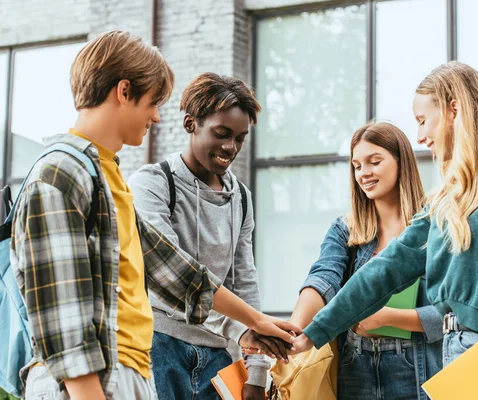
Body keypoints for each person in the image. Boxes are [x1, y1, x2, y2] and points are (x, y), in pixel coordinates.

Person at [10, 30, 298, 400]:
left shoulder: (104, 173)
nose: (159, 117)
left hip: (128, 373)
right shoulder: (60, 175)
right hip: (89, 384)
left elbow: (174, 270)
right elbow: (64, 320)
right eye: (153, 102)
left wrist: (256, 322)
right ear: (124, 91)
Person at [292, 61, 478, 400]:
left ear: (455, 110)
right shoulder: (445, 200)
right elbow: (385, 269)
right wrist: (315, 331)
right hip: (454, 362)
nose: (421, 137)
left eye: (423, 120)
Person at [128, 72, 276, 400]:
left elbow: (245, 281)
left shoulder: (240, 197)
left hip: (218, 357)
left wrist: (257, 371)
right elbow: (174, 277)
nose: (230, 147)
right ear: (190, 123)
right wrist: (255, 322)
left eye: (239, 138)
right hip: (158, 347)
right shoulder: (152, 184)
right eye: (221, 134)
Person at [288, 122, 442, 400]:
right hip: (354, 366)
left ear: (401, 162)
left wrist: (388, 317)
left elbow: (454, 314)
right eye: (357, 166)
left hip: (415, 368)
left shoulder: (435, 228)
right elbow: (323, 280)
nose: (364, 173)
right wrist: (294, 333)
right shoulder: (345, 231)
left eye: (375, 162)